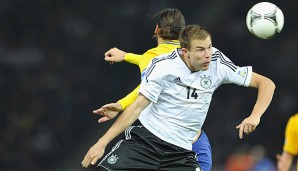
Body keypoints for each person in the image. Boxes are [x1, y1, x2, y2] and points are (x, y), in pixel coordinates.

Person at [81, 25, 275, 170]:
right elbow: (137, 107)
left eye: (209, 47)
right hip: (145, 142)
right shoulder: (163, 67)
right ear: (185, 52)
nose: (208, 54)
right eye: (200, 49)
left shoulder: (218, 63)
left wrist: (255, 115)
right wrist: (102, 142)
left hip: (181, 152)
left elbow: (266, 83)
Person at [94, 8, 212, 171]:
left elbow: (146, 84)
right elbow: (151, 62)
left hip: (167, 150)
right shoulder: (190, 54)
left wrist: (121, 105)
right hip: (198, 145)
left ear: (157, 29)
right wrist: (126, 56)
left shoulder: (155, 59)